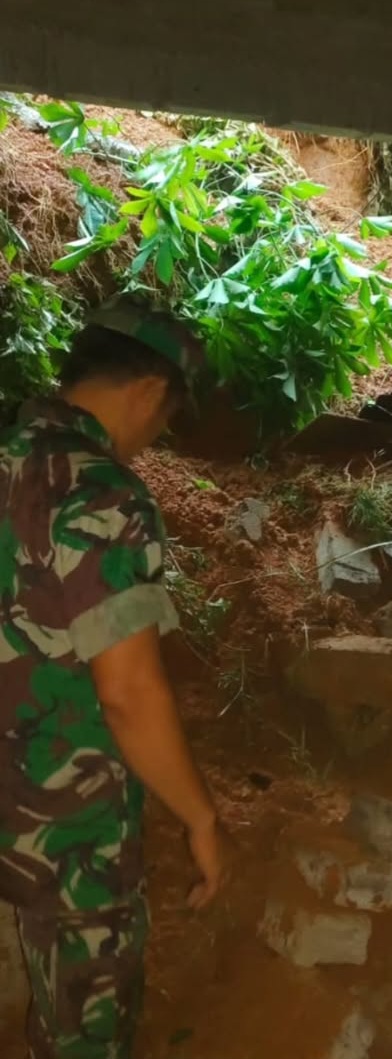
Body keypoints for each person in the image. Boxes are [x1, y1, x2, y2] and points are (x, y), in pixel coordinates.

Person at [0, 298, 229, 1059]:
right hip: (68, 831)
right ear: (151, 392)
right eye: (165, 419)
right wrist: (200, 818)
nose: (153, 437)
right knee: (84, 1038)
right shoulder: (102, 495)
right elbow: (128, 693)